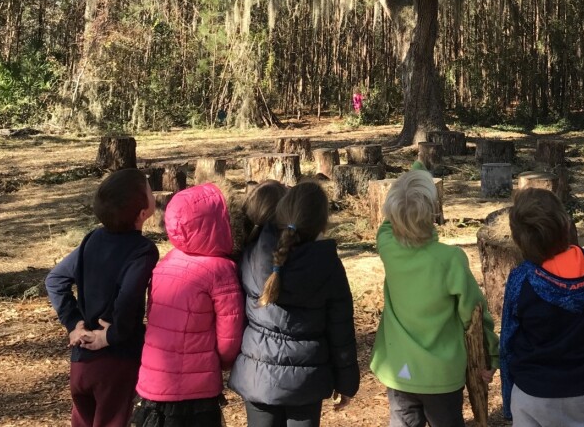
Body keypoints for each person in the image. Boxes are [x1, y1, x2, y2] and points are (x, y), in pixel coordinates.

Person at [370, 167, 499, 427]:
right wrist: (491, 355)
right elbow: (473, 313)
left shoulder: (387, 248)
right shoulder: (450, 260)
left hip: (399, 370)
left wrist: (413, 174)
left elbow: (386, 225)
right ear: (433, 213)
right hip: (441, 375)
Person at [230, 181, 359, 427]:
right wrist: (347, 383)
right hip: (306, 382)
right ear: (322, 223)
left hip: (258, 376)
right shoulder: (328, 266)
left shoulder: (252, 254)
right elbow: (341, 329)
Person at [45, 168, 159, 427]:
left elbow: (55, 280)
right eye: (150, 191)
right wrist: (110, 336)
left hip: (81, 362)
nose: (154, 194)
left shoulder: (92, 238)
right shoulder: (143, 251)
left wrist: (74, 324)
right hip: (115, 363)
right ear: (142, 214)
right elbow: (128, 300)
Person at [500, 188, 584, 427]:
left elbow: (508, 343)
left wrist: (508, 399)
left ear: (518, 239)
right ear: (566, 224)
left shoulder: (521, 279)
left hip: (531, 395)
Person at [132, 183, 245, 427]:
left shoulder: (165, 263)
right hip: (196, 392)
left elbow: (153, 315)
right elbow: (229, 335)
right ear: (218, 223)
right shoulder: (222, 271)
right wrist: (223, 363)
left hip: (154, 383)